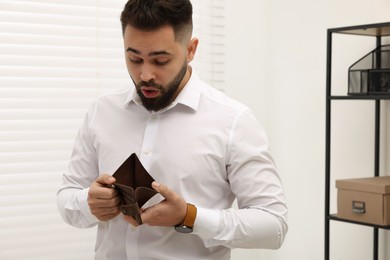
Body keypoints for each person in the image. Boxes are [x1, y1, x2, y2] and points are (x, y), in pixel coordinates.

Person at [56, 0, 288, 259]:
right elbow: (67, 199)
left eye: (160, 60)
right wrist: (89, 203)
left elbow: (273, 225)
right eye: (134, 58)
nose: (145, 74)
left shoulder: (234, 121)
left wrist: (190, 216)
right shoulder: (102, 111)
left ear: (191, 49)